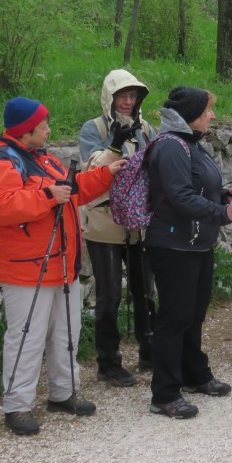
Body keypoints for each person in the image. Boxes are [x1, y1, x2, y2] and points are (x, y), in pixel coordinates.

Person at [0, 97, 122, 435]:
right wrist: (47, 197)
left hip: (60, 263)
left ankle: (63, 392)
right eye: (43, 125)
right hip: (25, 268)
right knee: (26, 337)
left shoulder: (42, 157)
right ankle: (17, 406)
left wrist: (107, 174)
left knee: (66, 331)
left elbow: (73, 191)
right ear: (26, 129)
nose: (49, 130)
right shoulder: (1, 161)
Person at [145, 87, 232, 419]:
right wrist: (223, 212)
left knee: (193, 315)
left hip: (196, 243)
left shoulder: (190, 143)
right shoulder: (171, 147)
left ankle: (193, 373)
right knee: (174, 318)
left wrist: (224, 194)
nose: (212, 116)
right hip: (173, 245)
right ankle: (164, 393)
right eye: (207, 111)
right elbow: (180, 196)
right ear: (191, 116)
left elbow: (199, 188)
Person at [78, 70, 157, 389]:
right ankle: (108, 362)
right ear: (109, 98)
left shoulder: (147, 129)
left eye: (133, 95)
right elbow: (90, 169)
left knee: (145, 291)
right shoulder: (94, 129)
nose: (128, 101)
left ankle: (149, 351)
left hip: (138, 223)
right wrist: (114, 145)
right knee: (109, 295)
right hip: (104, 222)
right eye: (122, 95)